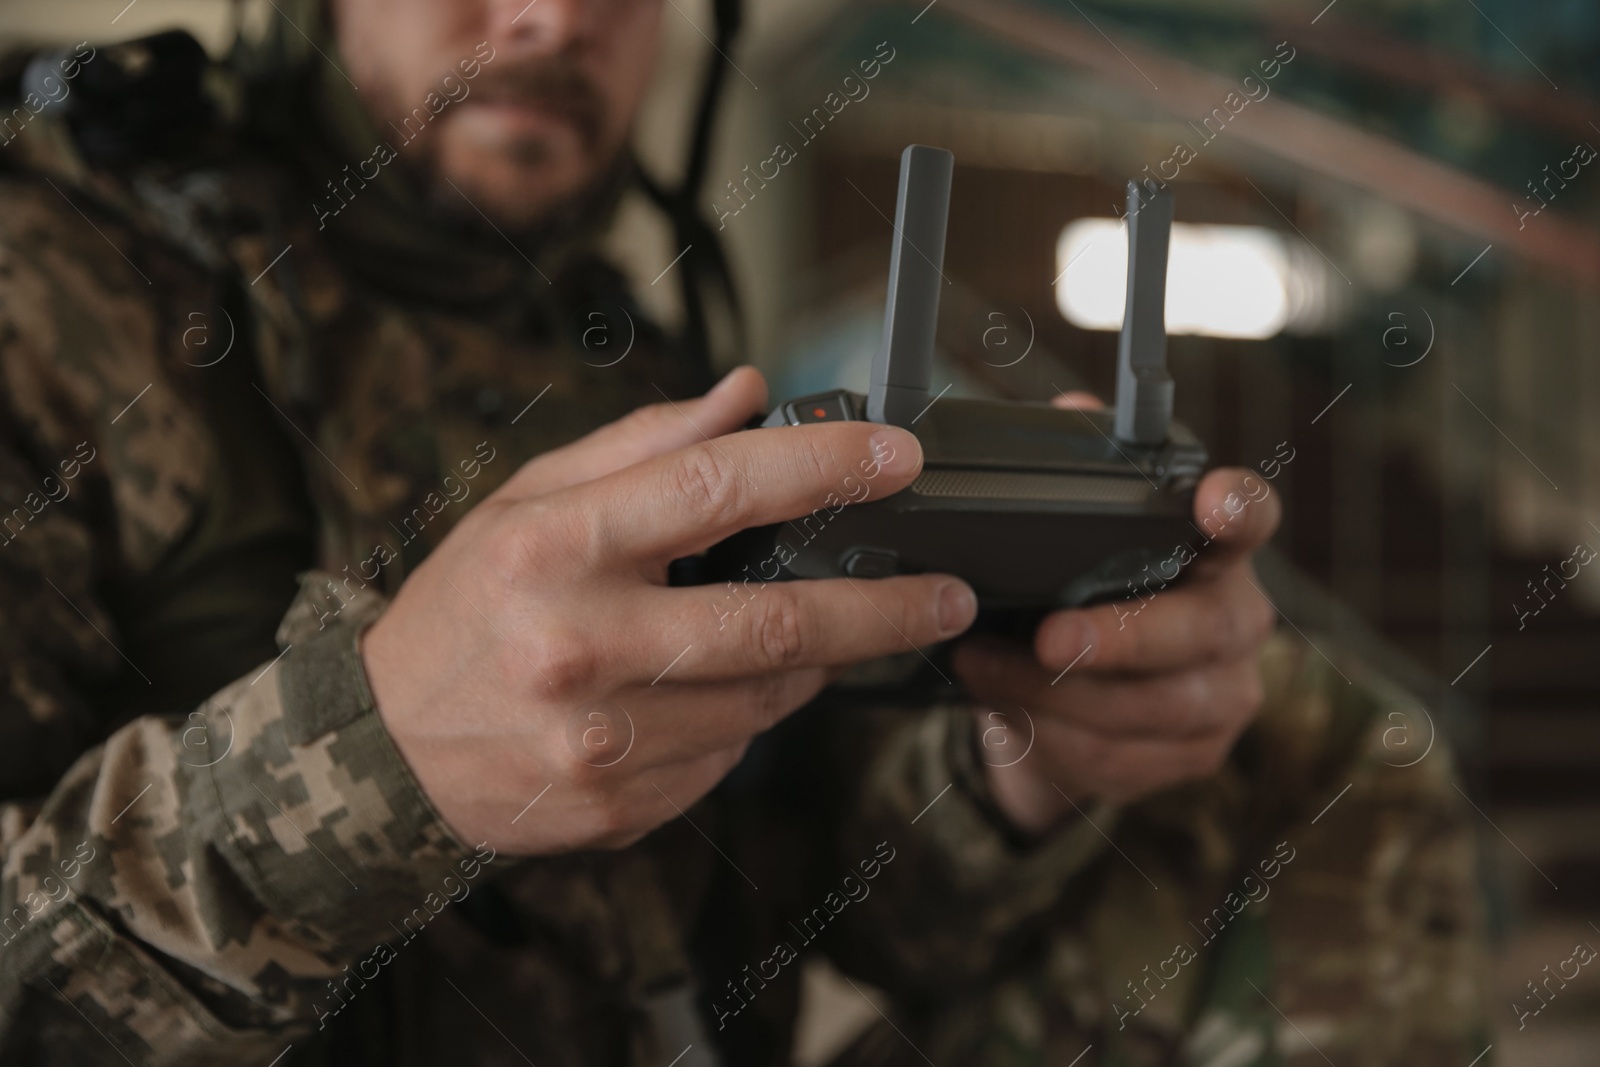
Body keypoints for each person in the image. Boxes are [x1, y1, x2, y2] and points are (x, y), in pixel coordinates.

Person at [0, 0, 1488, 1063]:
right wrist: (374, 761)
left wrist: (1022, 779)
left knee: (1296, 745)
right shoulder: (54, 294)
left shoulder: (642, 372)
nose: (550, 20)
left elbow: (819, 893)